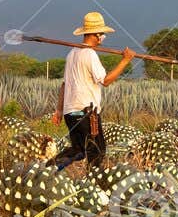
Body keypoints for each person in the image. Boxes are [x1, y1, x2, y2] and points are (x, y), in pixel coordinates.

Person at [50, 12, 135, 170]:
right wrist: (125, 61)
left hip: (71, 113)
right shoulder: (89, 54)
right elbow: (106, 81)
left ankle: (49, 169)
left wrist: (59, 110)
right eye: (102, 34)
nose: (103, 36)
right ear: (96, 35)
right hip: (86, 113)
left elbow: (64, 85)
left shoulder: (72, 54)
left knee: (79, 150)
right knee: (97, 152)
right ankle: (92, 183)